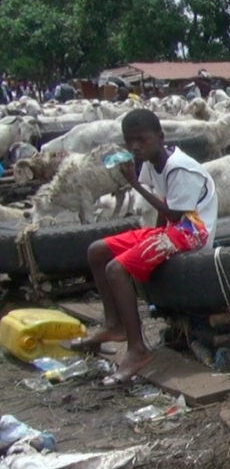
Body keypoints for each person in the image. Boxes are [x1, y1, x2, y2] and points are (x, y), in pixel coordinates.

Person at [61, 110, 217, 384]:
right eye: (129, 141)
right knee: (97, 251)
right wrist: (154, 235)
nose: (134, 147)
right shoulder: (151, 161)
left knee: (116, 269)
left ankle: (138, 349)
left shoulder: (180, 167)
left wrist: (133, 184)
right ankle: (114, 325)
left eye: (141, 140)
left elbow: (175, 214)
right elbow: (163, 200)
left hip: (194, 231)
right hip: (173, 228)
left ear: (160, 137)